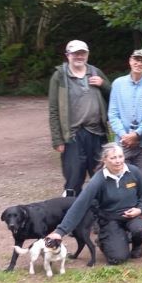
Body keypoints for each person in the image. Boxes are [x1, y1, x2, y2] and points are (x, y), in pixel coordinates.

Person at [47, 143, 142, 265]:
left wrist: (140, 209)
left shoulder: (134, 172)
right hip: (110, 219)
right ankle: (105, 240)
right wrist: (60, 232)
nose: (118, 161)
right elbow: (79, 206)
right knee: (118, 258)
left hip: (134, 215)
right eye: (113, 158)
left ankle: (137, 245)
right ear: (104, 160)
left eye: (120, 156)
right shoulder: (98, 180)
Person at [48, 40, 111, 197]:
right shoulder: (59, 76)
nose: (79, 56)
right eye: (75, 53)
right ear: (68, 55)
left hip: (97, 133)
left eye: (82, 53)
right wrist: (57, 140)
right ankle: (72, 216)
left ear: (87, 54)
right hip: (73, 136)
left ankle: (103, 215)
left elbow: (114, 97)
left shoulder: (96, 72)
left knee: (101, 175)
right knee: (73, 178)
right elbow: (54, 109)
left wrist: (104, 85)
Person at [108, 49, 142, 187]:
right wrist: (124, 135)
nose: (139, 63)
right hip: (123, 143)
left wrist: (137, 134)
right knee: (122, 180)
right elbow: (113, 113)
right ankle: (123, 208)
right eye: (136, 60)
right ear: (130, 61)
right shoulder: (118, 84)